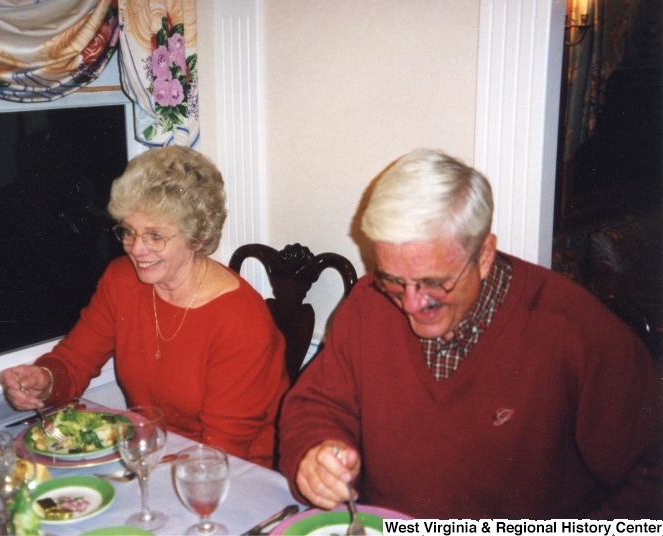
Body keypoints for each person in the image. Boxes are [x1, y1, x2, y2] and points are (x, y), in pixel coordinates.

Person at [277, 148, 663, 518]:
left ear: (484, 256)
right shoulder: (368, 304)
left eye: (434, 282)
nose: (411, 304)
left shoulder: (575, 331)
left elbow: (652, 479)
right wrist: (315, 455)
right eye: (394, 281)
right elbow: (315, 406)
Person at [1, 146, 289, 468]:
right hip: (150, 454)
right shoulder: (122, 280)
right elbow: (75, 359)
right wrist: (45, 378)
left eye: (155, 236)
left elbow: (224, 447)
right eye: (128, 231)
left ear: (196, 236)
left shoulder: (239, 319)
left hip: (232, 475)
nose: (137, 249)